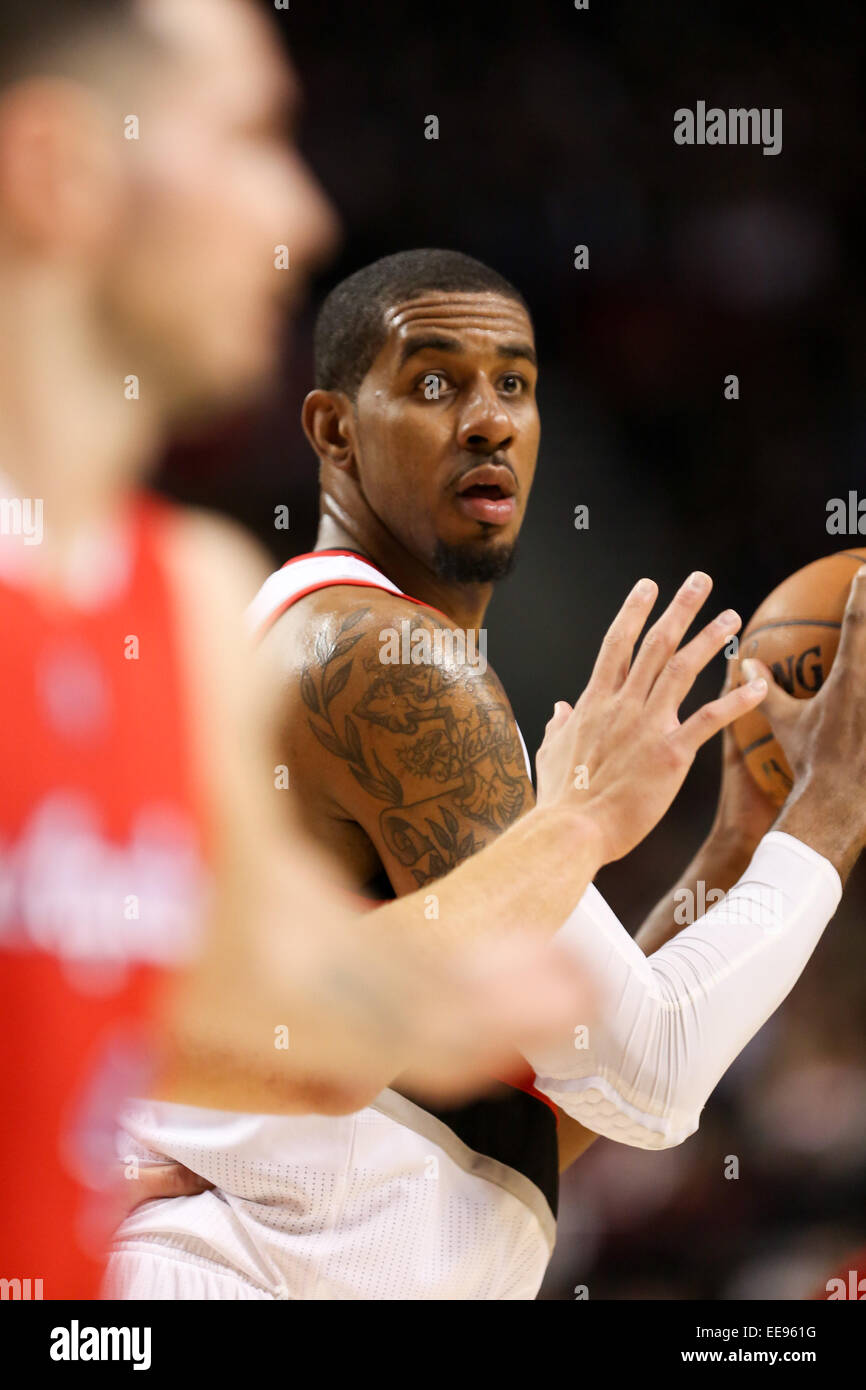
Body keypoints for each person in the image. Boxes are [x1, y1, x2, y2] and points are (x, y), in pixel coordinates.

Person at [105, 250, 866, 1300]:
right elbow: (654, 1074)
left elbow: (534, 1121)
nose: (488, 420)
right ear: (331, 429)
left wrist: (734, 842)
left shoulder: (329, 646)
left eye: (514, 383)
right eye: (432, 383)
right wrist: (830, 806)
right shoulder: (388, 663)